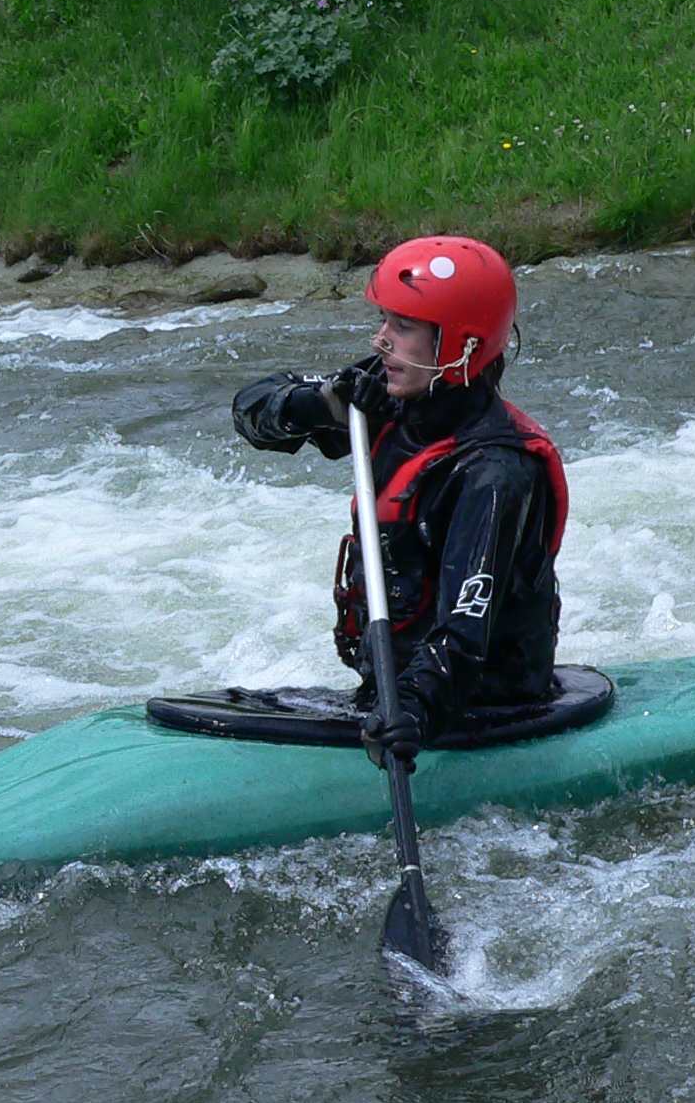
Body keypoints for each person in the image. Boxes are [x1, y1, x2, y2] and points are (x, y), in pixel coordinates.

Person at [233, 236, 568, 771]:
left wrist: (410, 710)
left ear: (462, 346)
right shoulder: (393, 394)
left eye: (404, 326)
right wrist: (318, 405)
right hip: (401, 690)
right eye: (385, 320)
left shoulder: (494, 475)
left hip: (481, 703)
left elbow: (463, 635)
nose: (382, 338)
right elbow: (249, 411)